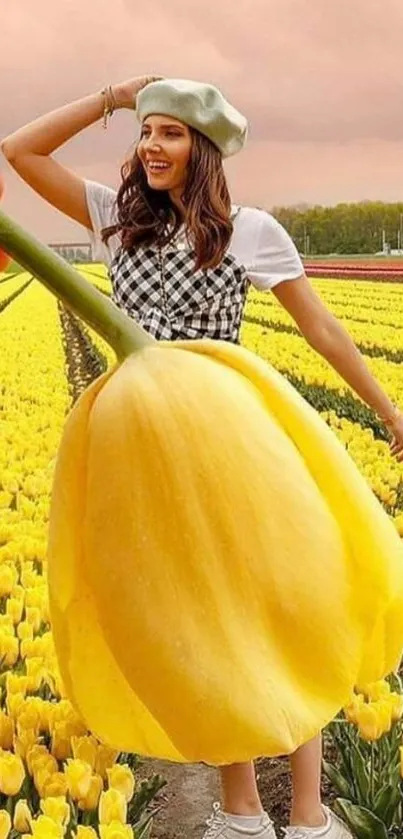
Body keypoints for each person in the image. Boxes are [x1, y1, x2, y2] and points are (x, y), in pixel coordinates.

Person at [2, 76, 403, 839]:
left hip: (236, 435)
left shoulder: (251, 231)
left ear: (204, 148)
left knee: (285, 608)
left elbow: (319, 330)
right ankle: (242, 811)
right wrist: (113, 96)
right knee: (206, 619)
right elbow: (18, 152)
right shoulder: (112, 220)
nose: (151, 145)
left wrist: (388, 409)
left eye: (172, 132)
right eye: (145, 132)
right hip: (156, 453)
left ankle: (313, 814)